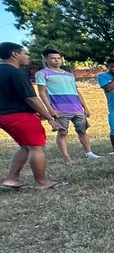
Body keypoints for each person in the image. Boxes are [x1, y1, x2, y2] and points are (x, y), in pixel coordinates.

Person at [0, 42, 64, 190]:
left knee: (26, 147)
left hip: (4, 115)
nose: (27, 56)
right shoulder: (16, 72)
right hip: (19, 116)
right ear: (15, 54)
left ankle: (11, 180)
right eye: (24, 53)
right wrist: (49, 117)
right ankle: (41, 182)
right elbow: (31, 98)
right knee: (37, 147)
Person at [35, 49, 100, 163]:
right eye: (53, 58)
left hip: (76, 107)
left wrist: (85, 107)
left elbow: (76, 91)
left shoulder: (69, 75)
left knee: (82, 130)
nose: (56, 60)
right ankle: (66, 157)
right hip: (59, 109)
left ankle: (89, 153)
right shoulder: (42, 73)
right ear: (46, 59)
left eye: (58, 58)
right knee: (63, 132)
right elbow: (42, 92)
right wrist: (50, 109)